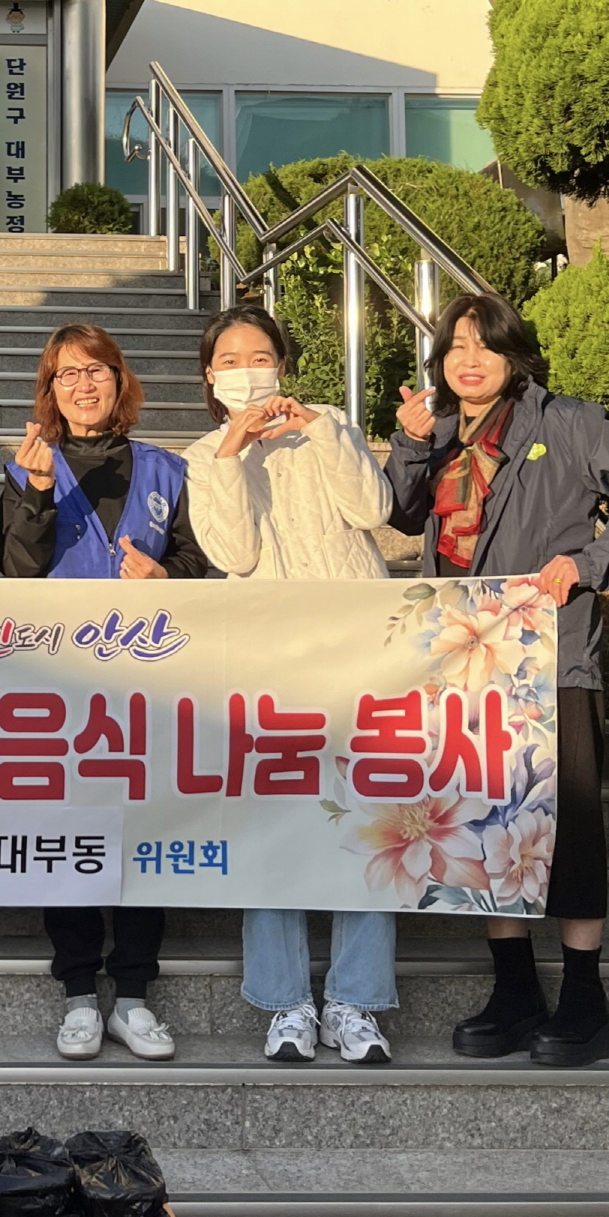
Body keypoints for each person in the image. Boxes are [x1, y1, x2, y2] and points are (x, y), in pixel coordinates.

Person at [387, 293, 609, 1068]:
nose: (469, 360)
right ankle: (516, 987)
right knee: (488, 822)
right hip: (466, 660)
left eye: (485, 346)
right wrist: (408, 443)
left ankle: (586, 998)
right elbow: (402, 515)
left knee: (573, 827)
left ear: (514, 356)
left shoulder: (565, 422)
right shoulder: (441, 431)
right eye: (455, 346)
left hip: (552, 658)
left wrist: (591, 562)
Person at [184, 303, 398, 1065]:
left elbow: (374, 508)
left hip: (357, 653)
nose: (247, 371)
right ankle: (285, 1003)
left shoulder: (328, 424)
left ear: (281, 363)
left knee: (367, 820)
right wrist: (230, 455)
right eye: (230, 360)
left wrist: (322, 432)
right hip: (268, 660)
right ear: (210, 376)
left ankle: (356, 1000)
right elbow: (232, 554)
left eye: (260, 356)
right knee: (274, 825)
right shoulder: (204, 453)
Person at [0, 321, 207, 1062]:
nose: (83, 385)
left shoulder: (168, 470)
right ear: (49, 390)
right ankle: (80, 993)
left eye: (97, 371)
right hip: (62, 682)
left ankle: (136, 994)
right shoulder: (30, 466)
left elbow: (199, 562)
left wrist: (166, 575)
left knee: (146, 832)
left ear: (120, 381)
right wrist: (37, 495)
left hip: (148, 680)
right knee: (68, 833)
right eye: (67, 374)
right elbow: (16, 571)